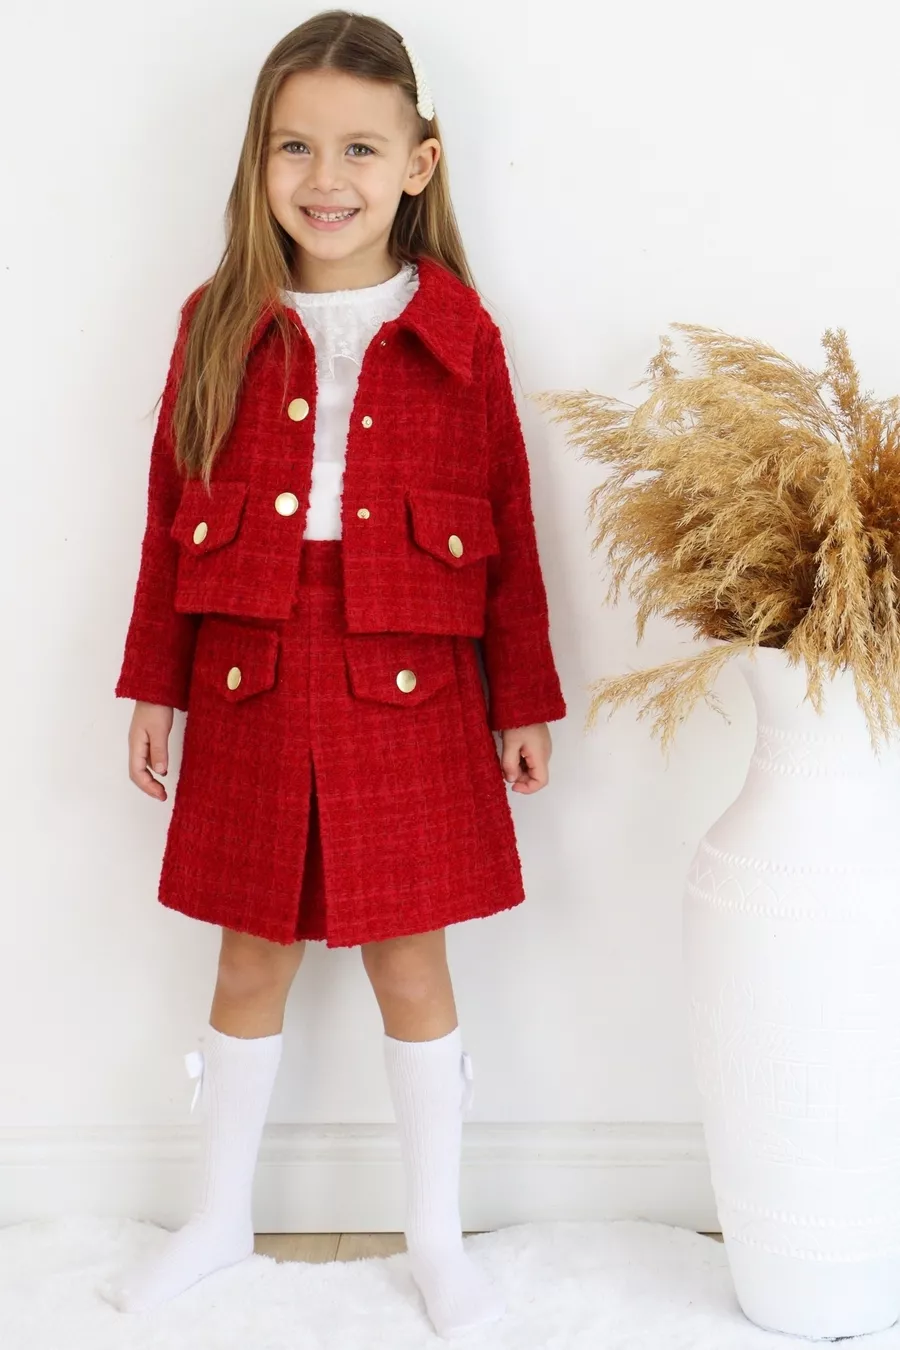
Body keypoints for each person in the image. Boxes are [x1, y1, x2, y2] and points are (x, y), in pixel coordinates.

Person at [109, 10, 565, 1339]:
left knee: (410, 959)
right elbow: (166, 514)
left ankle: (435, 1236)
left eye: (361, 148)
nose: (326, 177)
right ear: (258, 161)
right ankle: (217, 1217)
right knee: (249, 955)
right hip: (248, 671)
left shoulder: (462, 332)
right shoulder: (217, 322)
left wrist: (523, 700)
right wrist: (156, 685)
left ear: (420, 163)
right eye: (295, 145)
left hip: (411, 679)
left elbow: (510, 519)